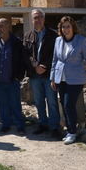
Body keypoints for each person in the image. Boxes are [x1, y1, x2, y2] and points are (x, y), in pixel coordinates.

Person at [50, 16, 86, 145]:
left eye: (68, 26)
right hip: (60, 78)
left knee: (69, 104)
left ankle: (72, 132)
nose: (66, 29)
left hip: (75, 79)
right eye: (63, 27)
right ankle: (70, 131)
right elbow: (55, 60)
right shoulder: (58, 40)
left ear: (73, 27)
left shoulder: (81, 40)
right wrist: (52, 77)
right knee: (64, 105)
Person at [23, 9, 61, 138]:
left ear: (44, 19)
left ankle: (54, 127)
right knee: (39, 101)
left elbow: (55, 54)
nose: (37, 20)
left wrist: (44, 66)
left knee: (52, 101)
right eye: (35, 18)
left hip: (48, 75)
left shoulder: (53, 35)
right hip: (34, 75)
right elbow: (26, 54)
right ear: (31, 20)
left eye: (39, 17)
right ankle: (42, 124)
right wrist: (34, 65)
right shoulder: (27, 36)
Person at [0, 18, 27, 134]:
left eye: (2, 26)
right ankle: (6, 124)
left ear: (8, 27)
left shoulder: (16, 42)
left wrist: (19, 76)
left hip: (12, 80)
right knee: (2, 104)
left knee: (15, 104)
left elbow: (22, 61)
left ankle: (20, 126)